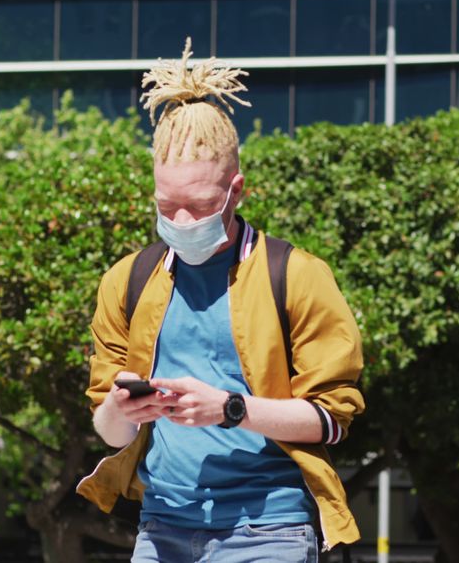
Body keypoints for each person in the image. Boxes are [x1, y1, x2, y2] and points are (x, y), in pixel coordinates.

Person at [76, 38, 366, 562]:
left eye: (200, 204)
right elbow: (110, 432)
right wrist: (123, 408)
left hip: (269, 528)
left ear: (236, 190)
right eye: (167, 204)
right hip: (161, 524)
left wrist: (229, 409)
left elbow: (331, 419)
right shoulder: (128, 280)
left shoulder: (297, 275)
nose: (181, 220)